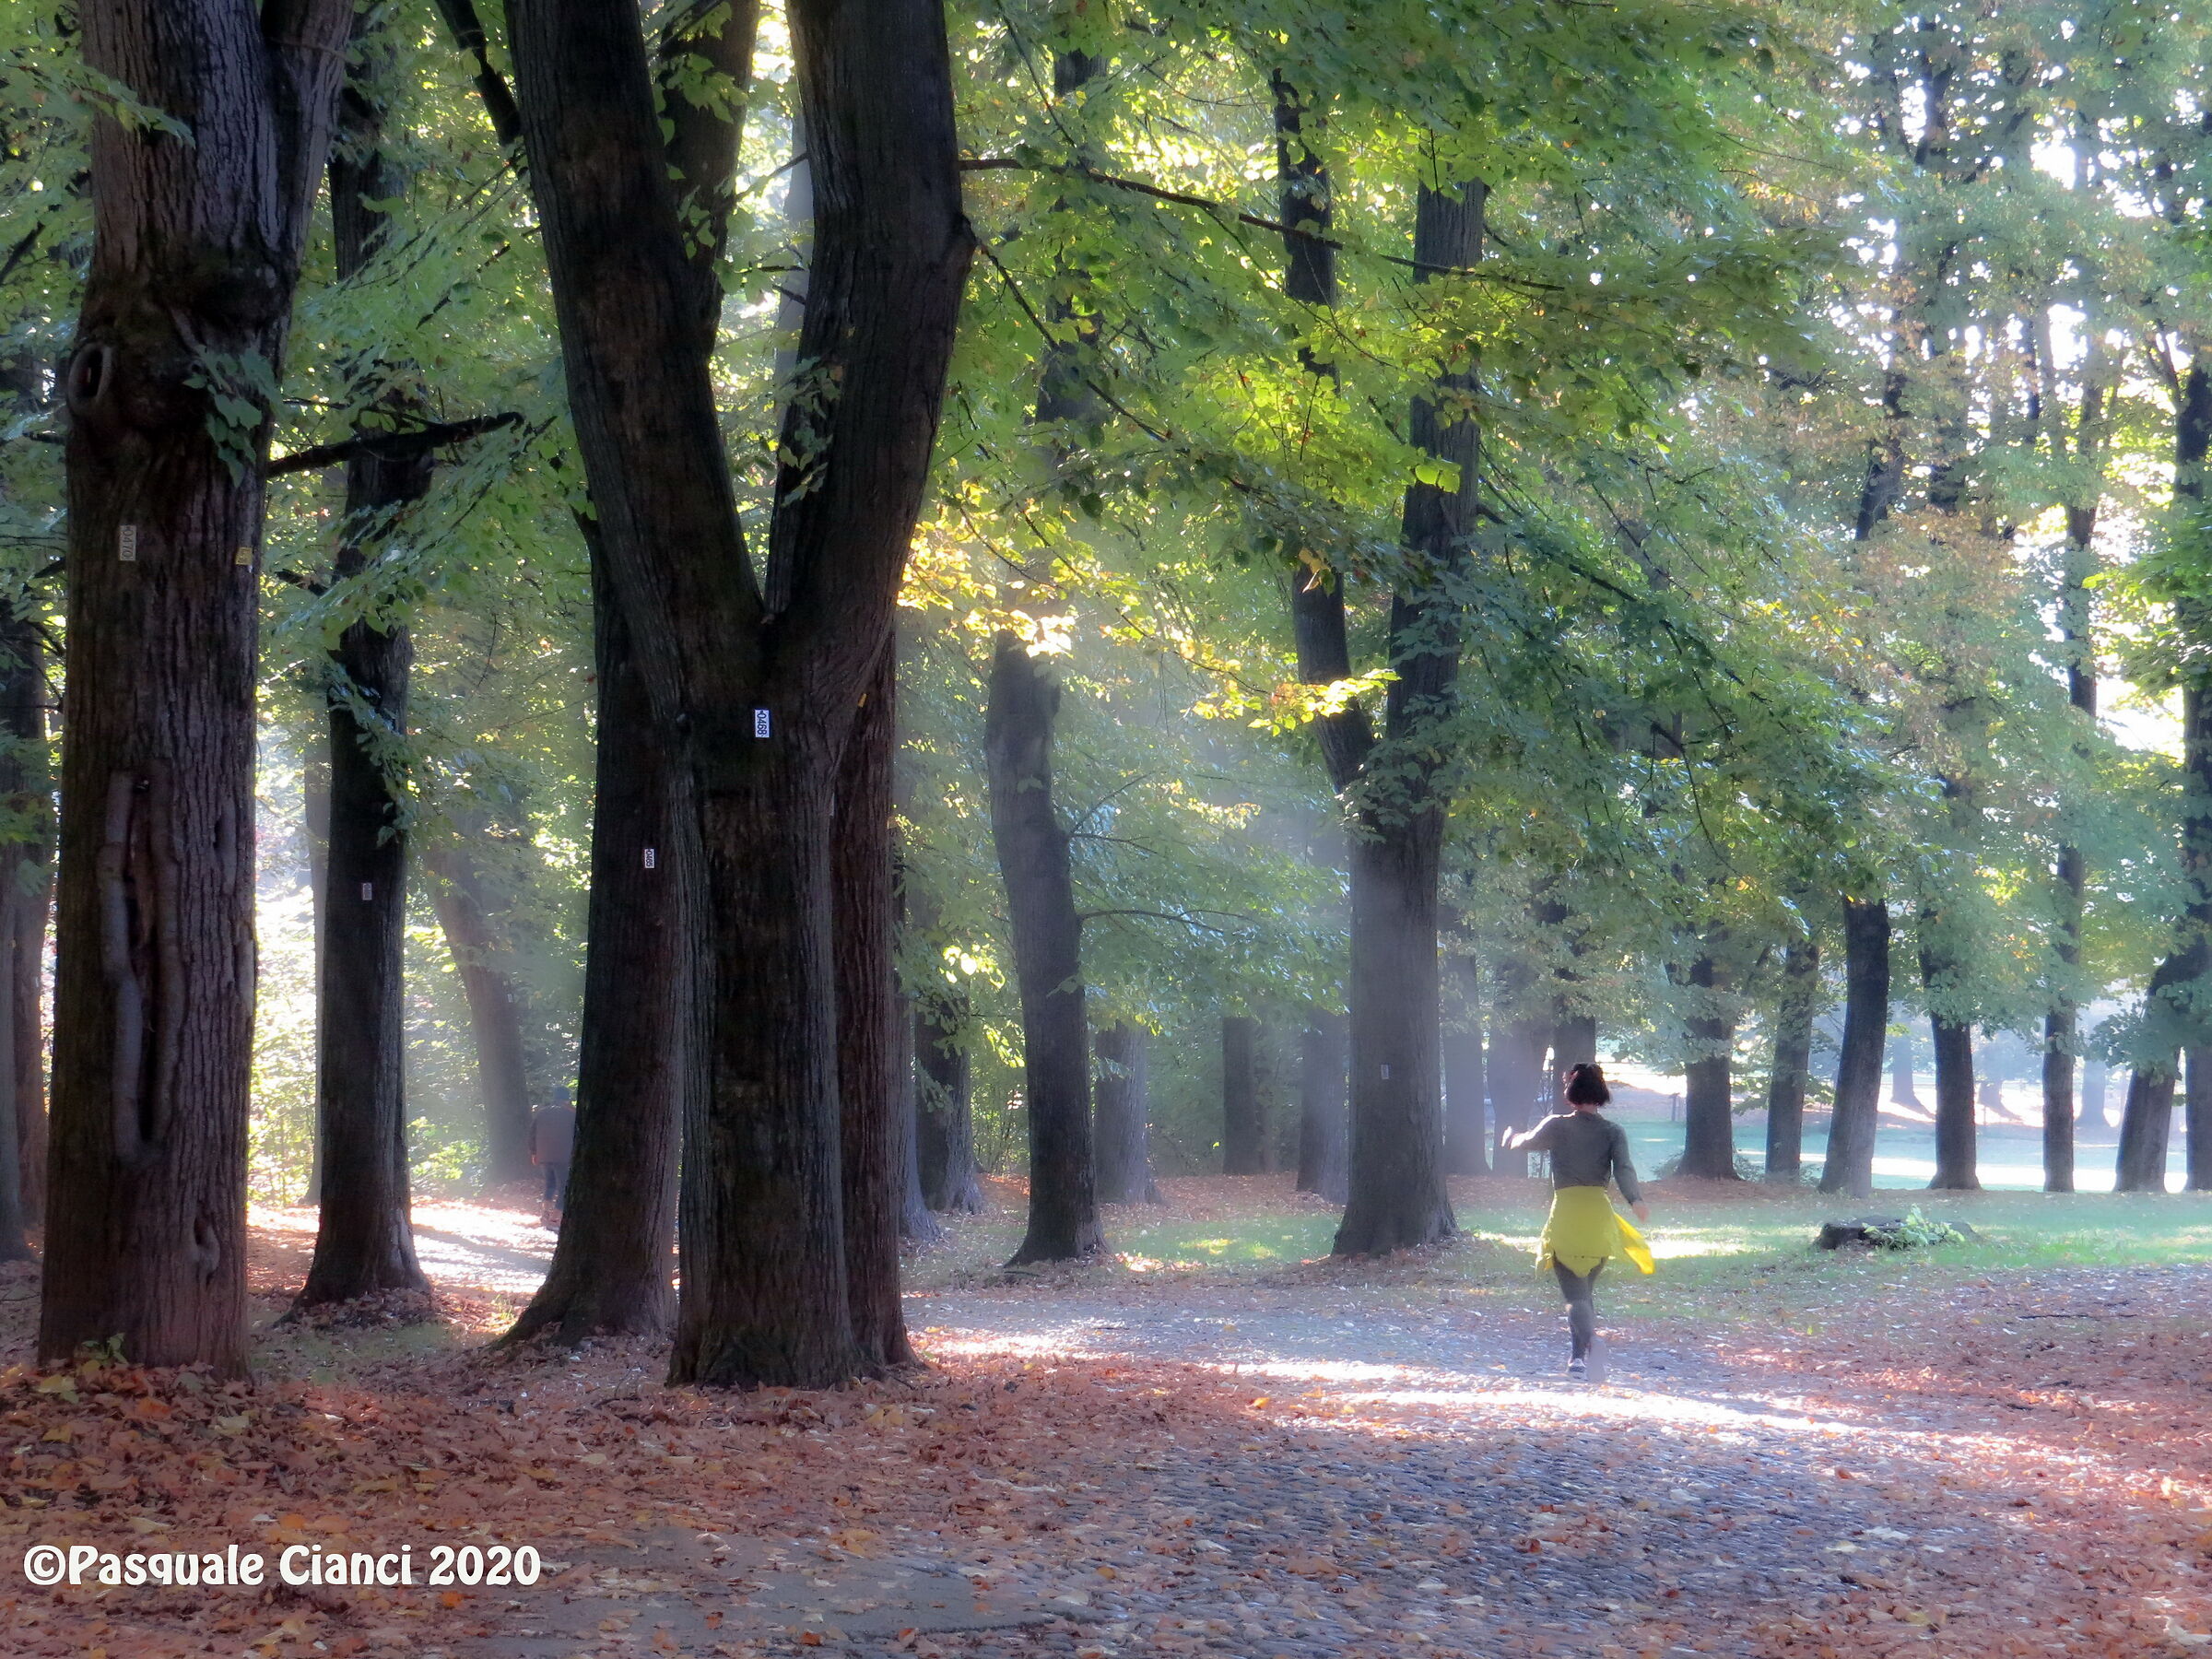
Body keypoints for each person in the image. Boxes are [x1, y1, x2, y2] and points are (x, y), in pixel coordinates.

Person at [1503, 1061, 1653, 1381]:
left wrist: (1510, 1137)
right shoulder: (1613, 1131)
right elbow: (1624, 1169)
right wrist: (1636, 1200)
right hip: (1599, 1217)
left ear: (1570, 1093)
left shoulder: (1557, 1125)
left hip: (1568, 1213)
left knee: (1574, 1295)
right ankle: (1577, 1359)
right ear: (1601, 1094)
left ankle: (1591, 1345)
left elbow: (1525, 1142)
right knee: (1585, 1293)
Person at [530, 1089, 577, 1226]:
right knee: (564, 1187)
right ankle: (555, 1217)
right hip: (563, 1156)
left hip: (544, 1155)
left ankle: (545, 1212)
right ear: (567, 1099)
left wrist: (534, 1153)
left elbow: (532, 1134)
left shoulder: (542, 1113)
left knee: (549, 1184)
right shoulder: (572, 1114)